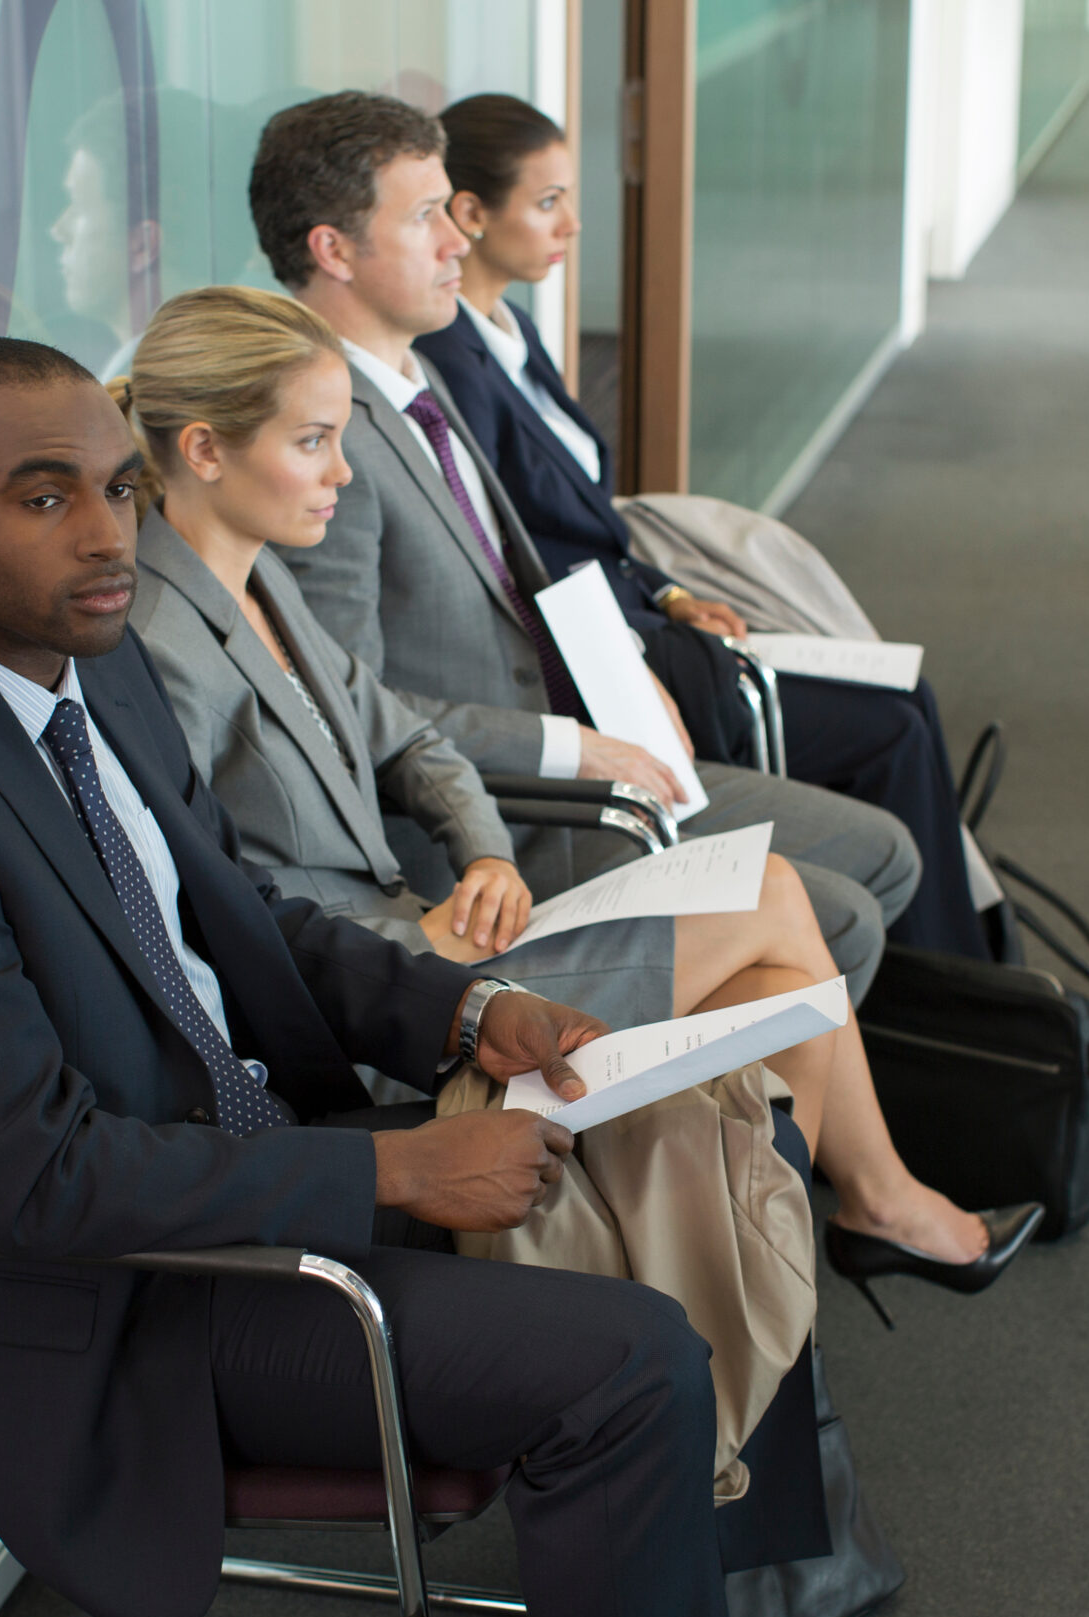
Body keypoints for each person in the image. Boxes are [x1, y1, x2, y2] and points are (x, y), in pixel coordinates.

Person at [0, 336, 750, 1617]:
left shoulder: (89, 666)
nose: (109, 535)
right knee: (632, 1366)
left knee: (684, 1134)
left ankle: (711, 1608)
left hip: (267, 1159)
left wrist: (465, 1012)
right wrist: (390, 1168)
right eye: (46, 497)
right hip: (142, 1300)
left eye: (119, 487)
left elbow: (236, 920)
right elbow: (36, 1176)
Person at [116, 283, 1024, 1274]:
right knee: (771, 901)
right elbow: (213, 918)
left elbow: (412, 745)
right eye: (312, 444)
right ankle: (839, 1236)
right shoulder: (157, 646)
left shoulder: (262, 580)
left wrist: (487, 855)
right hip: (376, 999)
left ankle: (769, 1272)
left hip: (438, 930)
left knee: (778, 981)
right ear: (204, 451)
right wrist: (408, 937)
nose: (339, 472)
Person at [248, 92, 925, 1005]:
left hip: (588, 744)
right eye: (424, 217)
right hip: (496, 819)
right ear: (333, 249)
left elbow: (522, 582)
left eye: (452, 207)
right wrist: (568, 747)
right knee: (836, 910)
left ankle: (762, 1125)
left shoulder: (418, 377)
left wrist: (628, 677)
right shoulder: (325, 436)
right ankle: (747, 1140)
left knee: (884, 852)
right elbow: (347, 703)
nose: (457, 239)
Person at [419, 92, 988, 960]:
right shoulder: (449, 363)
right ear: (470, 213)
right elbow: (538, 558)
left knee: (908, 696)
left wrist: (676, 591)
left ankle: (976, 982)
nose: (573, 221)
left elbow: (589, 519)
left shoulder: (509, 329)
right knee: (895, 730)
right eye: (547, 202)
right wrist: (651, 630)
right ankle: (960, 1000)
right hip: (608, 657)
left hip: (643, 613)